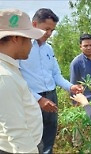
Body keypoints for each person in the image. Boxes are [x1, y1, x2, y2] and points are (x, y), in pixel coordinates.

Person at [19, 8, 83, 154]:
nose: (49, 34)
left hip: (51, 96)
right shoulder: (22, 47)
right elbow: (18, 79)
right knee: (32, 138)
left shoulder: (48, 49)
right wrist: (38, 99)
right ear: (34, 24)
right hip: (31, 98)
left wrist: (71, 87)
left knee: (49, 136)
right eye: (46, 29)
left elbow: (56, 75)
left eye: (52, 30)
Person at [0, 8, 45, 153]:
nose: (31, 45)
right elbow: (16, 132)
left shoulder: (8, 67)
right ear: (16, 38)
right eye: (30, 39)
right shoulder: (4, 76)